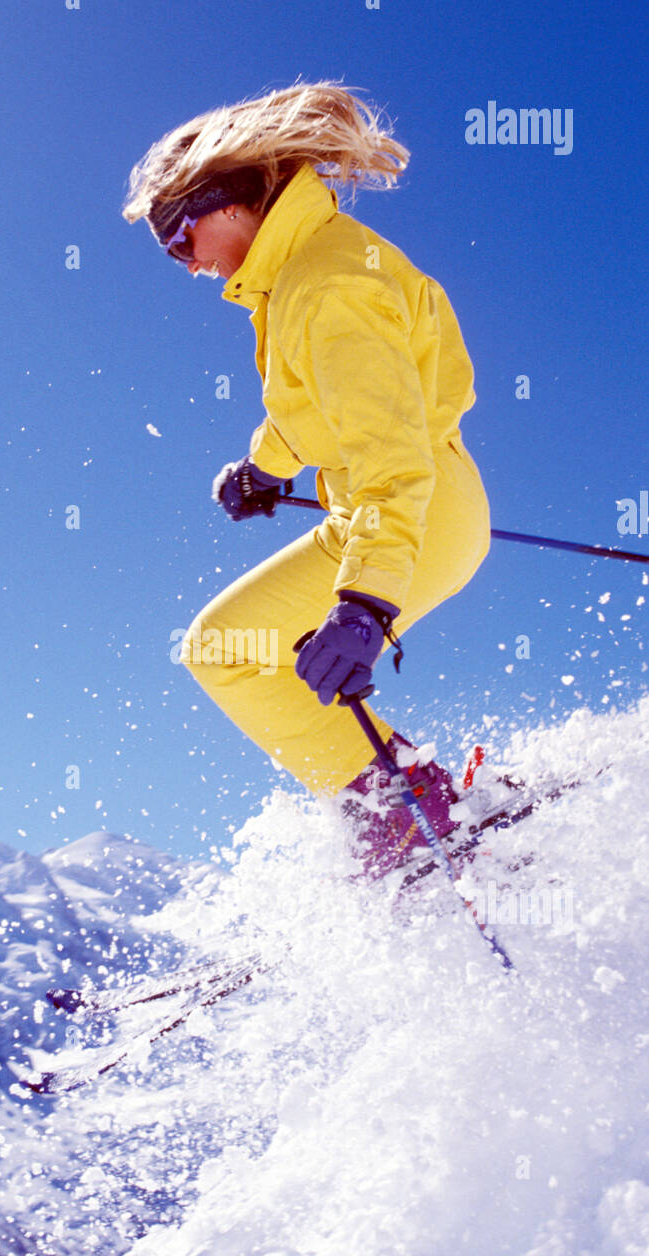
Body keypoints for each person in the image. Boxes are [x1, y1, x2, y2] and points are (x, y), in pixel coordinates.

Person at [123, 82, 491, 877]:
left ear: (226, 204)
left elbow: (391, 454)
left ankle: (408, 805)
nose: (185, 265)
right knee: (222, 646)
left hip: (408, 512)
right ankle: (413, 798)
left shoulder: (326, 287)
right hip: (397, 507)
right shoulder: (305, 272)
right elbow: (312, 408)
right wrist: (265, 466)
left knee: (221, 650)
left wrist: (364, 604)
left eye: (178, 239)